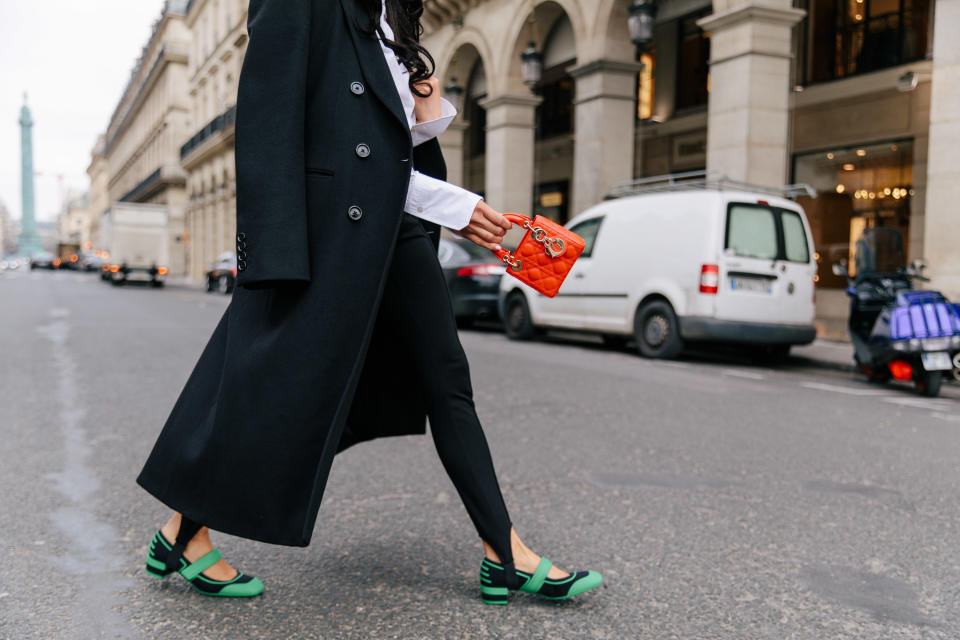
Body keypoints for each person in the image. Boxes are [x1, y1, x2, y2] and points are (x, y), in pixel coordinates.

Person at [136, 0, 602, 604]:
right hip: (333, 239)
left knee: (446, 383)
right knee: (279, 391)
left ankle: (504, 553)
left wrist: (427, 116)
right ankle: (183, 530)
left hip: (397, 233)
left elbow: (385, 147)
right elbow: (273, 118)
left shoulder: (395, 17)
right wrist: (276, 255)